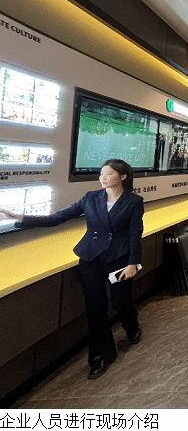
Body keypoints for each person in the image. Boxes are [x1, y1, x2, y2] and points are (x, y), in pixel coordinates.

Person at [0, 159, 144, 380]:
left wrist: (133, 263)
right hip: (90, 259)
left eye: (108, 174)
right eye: (101, 174)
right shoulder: (90, 198)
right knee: (95, 309)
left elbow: (135, 234)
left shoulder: (133, 201)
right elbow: (57, 218)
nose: (103, 178)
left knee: (121, 302)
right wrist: (22, 218)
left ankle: (132, 327)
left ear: (123, 176)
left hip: (119, 260)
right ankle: (102, 355)